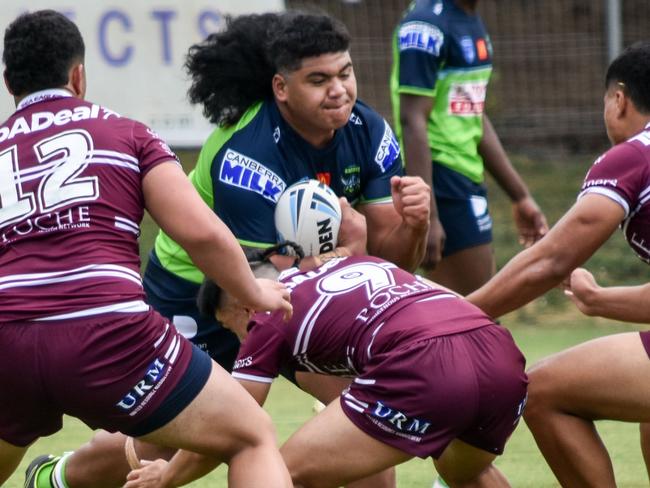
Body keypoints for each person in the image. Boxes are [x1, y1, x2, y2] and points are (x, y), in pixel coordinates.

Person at [28, 11, 430, 488]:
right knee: (173, 434)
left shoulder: (370, 133)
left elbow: (393, 264)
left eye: (344, 73)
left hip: (281, 290)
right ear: (281, 88)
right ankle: (60, 477)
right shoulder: (245, 154)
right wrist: (356, 249)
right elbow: (264, 281)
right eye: (319, 80)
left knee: (357, 403)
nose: (339, 90)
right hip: (197, 291)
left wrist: (416, 225)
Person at [0, 9, 294, 488]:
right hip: (107, 332)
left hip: (8, 339)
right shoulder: (127, 134)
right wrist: (254, 292)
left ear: (9, 81)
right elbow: (198, 232)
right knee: (250, 435)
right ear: (79, 76)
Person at [123, 250, 528, 488]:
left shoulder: (267, 311)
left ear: (244, 306)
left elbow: (232, 424)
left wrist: (168, 475)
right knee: (460, 473)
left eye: (233, 328)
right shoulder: (352, 263)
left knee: (278, 474)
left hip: (423, 364)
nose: (241, 340)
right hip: (501, 357)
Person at [466, 41, 650, 486]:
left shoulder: (633, 156)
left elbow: (549, 262)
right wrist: (595, 299)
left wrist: (454, 315)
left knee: (544, 389)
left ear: (619, 99)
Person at [390, 0, 548, 295]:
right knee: (479, 312)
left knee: (474, 313)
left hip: (465, 177)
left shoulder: (470, 18)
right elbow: (412, 120)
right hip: (441, 178)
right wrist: (429, 218)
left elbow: (473, 115)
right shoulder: (426, 25)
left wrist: (520, 195)